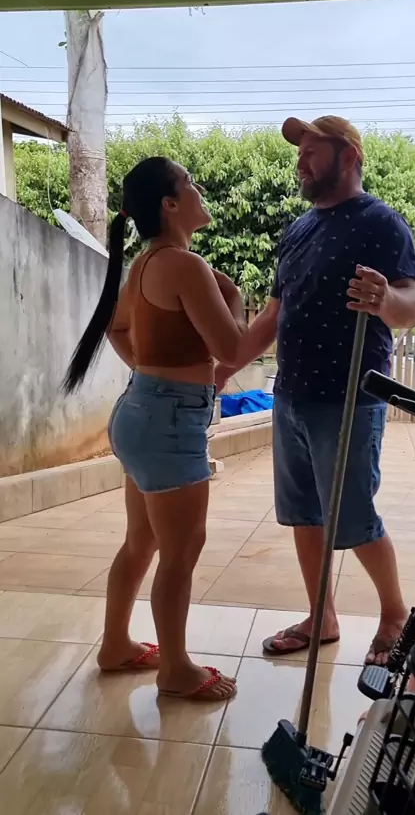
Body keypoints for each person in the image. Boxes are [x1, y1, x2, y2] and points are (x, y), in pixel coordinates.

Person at [215, 115, 415, 666]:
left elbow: (411, 305)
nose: (300, 162)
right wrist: (225, 366)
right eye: (299, 153)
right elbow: (272, 315)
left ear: (348, 155)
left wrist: (386, 299)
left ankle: (394, 615)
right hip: (291, 395)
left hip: (349, 398)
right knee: (303, 513)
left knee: (352, 516)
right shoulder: (298, 229)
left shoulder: (382, 223)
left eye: (312, 151)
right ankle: (321, 616)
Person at [63, 156, 246, 701]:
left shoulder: (146, 264)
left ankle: (116, 645)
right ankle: (176, 670)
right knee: (181, 550)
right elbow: (232, 349)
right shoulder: (184, 265)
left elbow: (117, 327)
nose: (198, 187)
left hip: (141, 411)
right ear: (170, 204)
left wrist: (150, 371)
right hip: (167, 422)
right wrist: (236, 300)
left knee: (141, 542)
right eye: (189, 182)